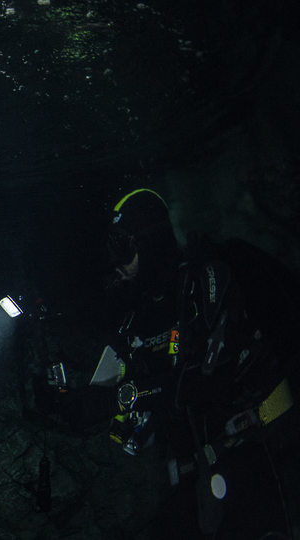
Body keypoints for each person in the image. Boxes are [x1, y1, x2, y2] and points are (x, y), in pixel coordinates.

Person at [89, 188, 299, 537]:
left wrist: (123, 396)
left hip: (267, 449)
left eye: (123, 248)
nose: (117, 262)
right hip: (209, 473)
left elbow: (202, 381)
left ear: (150, 241)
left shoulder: (210, 283)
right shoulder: (141, 316)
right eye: (111, 250)